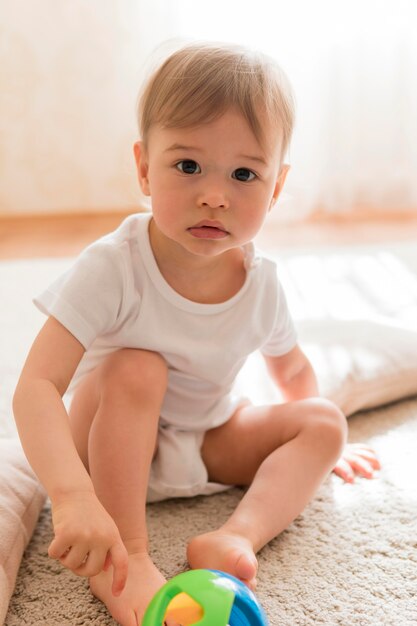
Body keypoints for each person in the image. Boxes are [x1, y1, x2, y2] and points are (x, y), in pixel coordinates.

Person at [13, 42, 380, 626]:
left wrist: (322, 446)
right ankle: (128, 556)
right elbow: (35, 386)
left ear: (277, 187)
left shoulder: (262, 284)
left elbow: (292, 375)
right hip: (105, 440)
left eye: (244, 174)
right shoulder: (112, 266)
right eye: (188, 166)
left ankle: (235, 538)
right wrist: (72, 495)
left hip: (203, 440)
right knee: (138, 365)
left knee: (323, 421)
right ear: (143, 168)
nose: (215, 194)